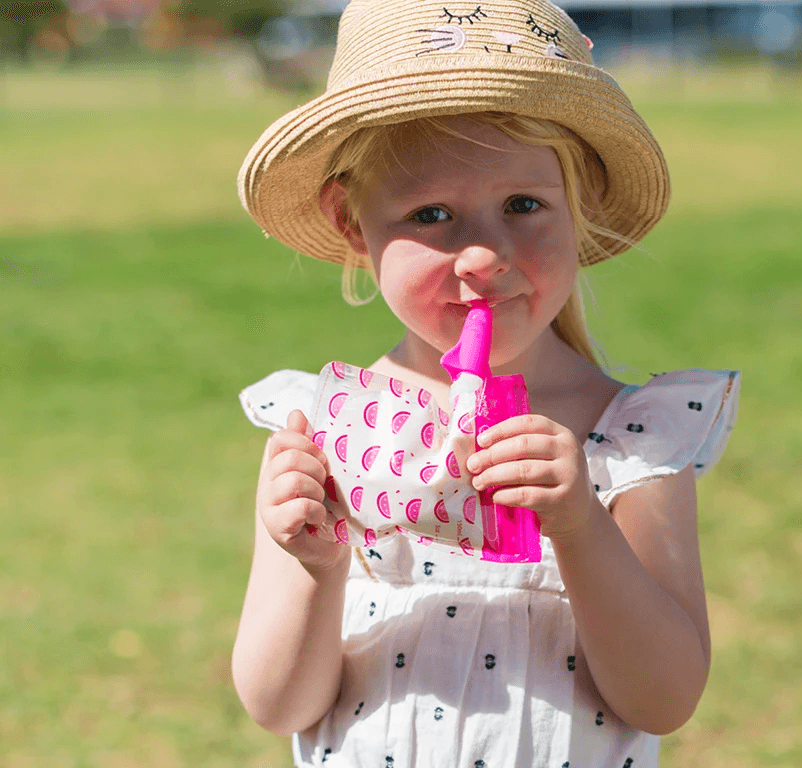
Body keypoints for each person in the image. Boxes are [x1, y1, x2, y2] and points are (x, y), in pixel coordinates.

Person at [231, 1, 740, 766]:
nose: (483, 253)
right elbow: (280, 704)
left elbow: (663, 699)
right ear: (350, 223)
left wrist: (578, 526)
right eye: (431, 213)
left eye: (524, 205)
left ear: (581, 210)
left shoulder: (633, 439)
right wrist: (318, 565)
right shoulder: (324, 428)